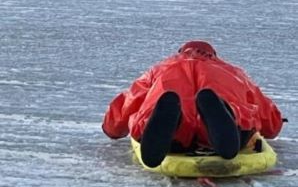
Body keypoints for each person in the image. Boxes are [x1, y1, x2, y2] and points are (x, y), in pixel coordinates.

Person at [102, 41, 285, 168]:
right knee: (237, 115)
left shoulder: (159, 69)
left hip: (176, 137)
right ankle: (227, 114)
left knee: (158, 117)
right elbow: (269, 120)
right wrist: (274, 125)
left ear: (180, 52)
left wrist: (111, 129)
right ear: (213, 55)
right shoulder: (234, 72)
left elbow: (127, 104)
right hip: (220, 129)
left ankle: (171, 120)